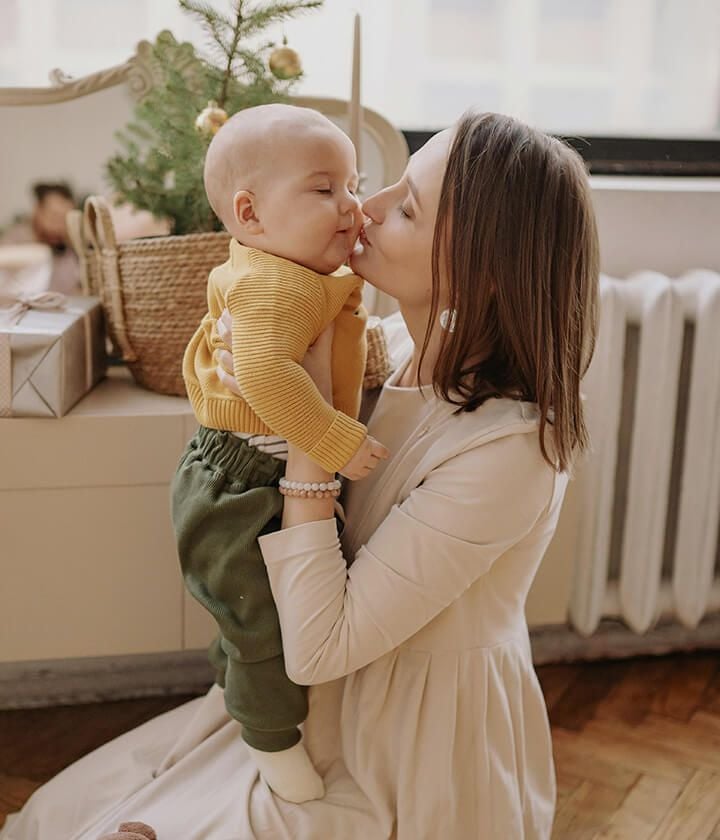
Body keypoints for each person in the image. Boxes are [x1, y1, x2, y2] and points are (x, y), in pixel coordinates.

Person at [0, 109, 599, 840]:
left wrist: (308, 429)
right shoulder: (388, 350)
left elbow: (320, 647)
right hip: (304, 697)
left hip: (403, 740)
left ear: (485, 275)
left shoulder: (510, 453)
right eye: (387, 185)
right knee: (57, 816)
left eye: (407, 208)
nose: (365, 208)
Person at [173, 104, 389, 804]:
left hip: (251, 469)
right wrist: (334, 441)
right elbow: (266, 375)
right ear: (250, 213)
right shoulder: (276, 284)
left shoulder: (290, 272)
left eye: (352, 186)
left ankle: (234, 685)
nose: (350, 206)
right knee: (261, 624)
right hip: (242, 484)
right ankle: (270, 739)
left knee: (247, 612)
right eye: (324, 189)